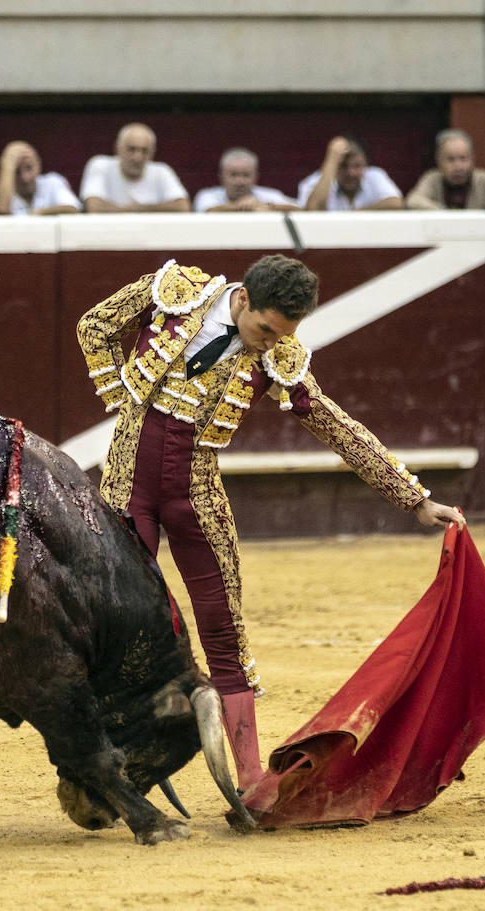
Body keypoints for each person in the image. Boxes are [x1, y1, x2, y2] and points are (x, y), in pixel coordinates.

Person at [76, 254, 464, 795]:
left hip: (197, 497)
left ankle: (250, 777)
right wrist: (120, 399)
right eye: (263, 329)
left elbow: (330, 421)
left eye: (281, 334)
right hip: (126, 487)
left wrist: (414, 498)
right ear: (242, 300)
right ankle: (107, 770)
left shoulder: (277, 354)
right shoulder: (176, 290)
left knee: (223, 630)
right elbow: (93, 325)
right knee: (122, 625)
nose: (268, 344)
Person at [406, 128, 485, 216]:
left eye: (463, 159)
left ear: (472, 160)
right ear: (439, 161)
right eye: (450, 159)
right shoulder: (432, 178)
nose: (458, 166)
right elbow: (413, 200)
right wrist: (442, 212)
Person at [79, 123, 190, 213]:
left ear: (153, 153)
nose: (137, 157)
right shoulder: (100, 165)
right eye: (131, 149)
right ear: (117, 149)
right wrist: (148, 210)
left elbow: (183, 206)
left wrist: (127, 209)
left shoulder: (162, 171)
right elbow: (94, 208)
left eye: (144, 151)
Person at [297, 136, 403, 211]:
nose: (351, 173)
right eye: (343, 166)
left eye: (357, 166)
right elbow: (313, 210)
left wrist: (353, 215)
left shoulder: (374, 175)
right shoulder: (318, 180)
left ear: (366, 165)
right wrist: (332, 160)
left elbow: (395, 203)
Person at [0, 141, 80, 216]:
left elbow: (73, 209)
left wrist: (40, 213)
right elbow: (1, 212)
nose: (25, 178)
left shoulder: (52, 182)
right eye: (17, 171)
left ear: (39, 165)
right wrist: (8, 164)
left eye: (29, 168)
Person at [193, 148, 299, 213]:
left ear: (256, 177)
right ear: (221, 176)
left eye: (246, 175)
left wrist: (260, 204)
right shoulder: (206, 195)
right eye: (233, 175)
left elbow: (299, 209)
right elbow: (208, 211)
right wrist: (244, 207)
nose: (240, 181)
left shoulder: (269, 194)